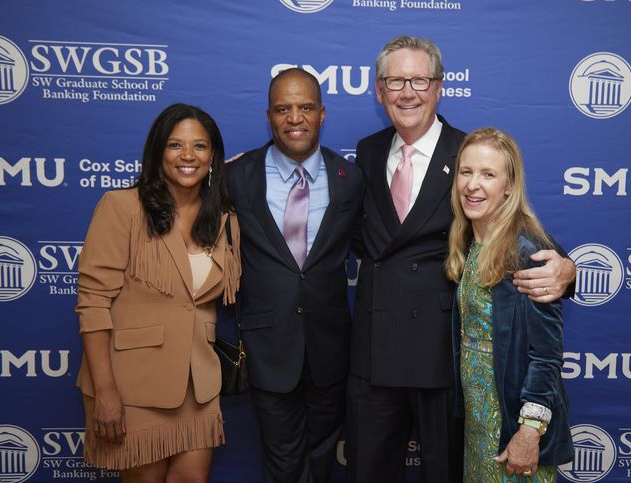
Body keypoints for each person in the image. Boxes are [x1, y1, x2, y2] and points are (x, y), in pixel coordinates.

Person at [345, 36, 577, 483]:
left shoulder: (468, 153)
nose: (407, 91)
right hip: (373, 354)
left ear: (439, 87)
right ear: (379, 90)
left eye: (419, 80)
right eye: (395, 81)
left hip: (441, 358)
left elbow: (520, 232)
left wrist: (568, 269)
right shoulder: (369, 151)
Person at [75, 103, 241, 482]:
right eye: (175, 145)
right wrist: (106, 392)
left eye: (199, 146)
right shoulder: (123, 208)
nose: (187, 156)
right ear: (157, 152)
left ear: (213, 155)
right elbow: (93, 303)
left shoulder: (224, 220)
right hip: (133, 385)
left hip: (198, 386)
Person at [225, 68, 363, 483]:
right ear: (268, 116)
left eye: (305, 107)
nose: (294, 118)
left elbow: (381, 246)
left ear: (323, 113)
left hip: (330, 347)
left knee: (322, 460)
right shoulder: (236, 176)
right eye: (283, 109)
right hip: (268, 347)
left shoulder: (350, 178)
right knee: (283, 463)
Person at [446, 127, 574, 481]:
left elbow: (546, 355)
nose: (473, 185)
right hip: (479, 421)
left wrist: (529, 432)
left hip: (513, 425)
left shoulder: (527, 251)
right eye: (466, 172)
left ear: (509, 185)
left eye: (488, 174)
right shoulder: (470, 240)